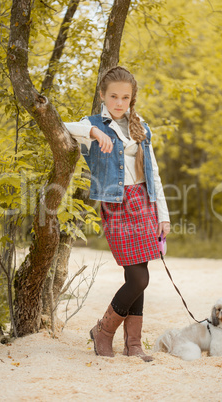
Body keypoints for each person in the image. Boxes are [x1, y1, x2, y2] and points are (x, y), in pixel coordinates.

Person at [64, 66, 170, 362]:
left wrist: (164, 215)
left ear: (132, 98)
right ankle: (103, 331)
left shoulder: (140, 125)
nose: (120, 103)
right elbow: (63, 126)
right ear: (103, 95)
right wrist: (94, 131)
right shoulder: (93, 124)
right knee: (138, 279)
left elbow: (154, 173)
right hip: (116, 205)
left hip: (144, 202)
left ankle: (133, 344)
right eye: (114, 96)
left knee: (139, 273)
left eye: (125, 97)